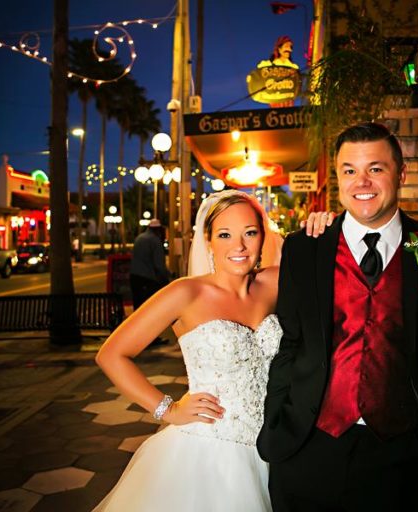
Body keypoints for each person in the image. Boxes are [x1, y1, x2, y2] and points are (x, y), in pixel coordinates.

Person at [258, 122, 418, 511]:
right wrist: (279, 422)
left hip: (397, 453)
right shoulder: (305, 249)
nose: (361, 182)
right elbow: (291, 344)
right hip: (307, 444)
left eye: (375, 168)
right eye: (349, 170)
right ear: (337, 178)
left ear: (401, 173)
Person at [95, 191, 291, 511]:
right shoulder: (186, 292)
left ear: (264, 236)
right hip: (207, 449)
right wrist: (168, 410)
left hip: (274, 444)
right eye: (225, 234)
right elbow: (111, 354)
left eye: (250, 233)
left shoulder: (275, 283)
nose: (238, 246)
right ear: (208, 240)